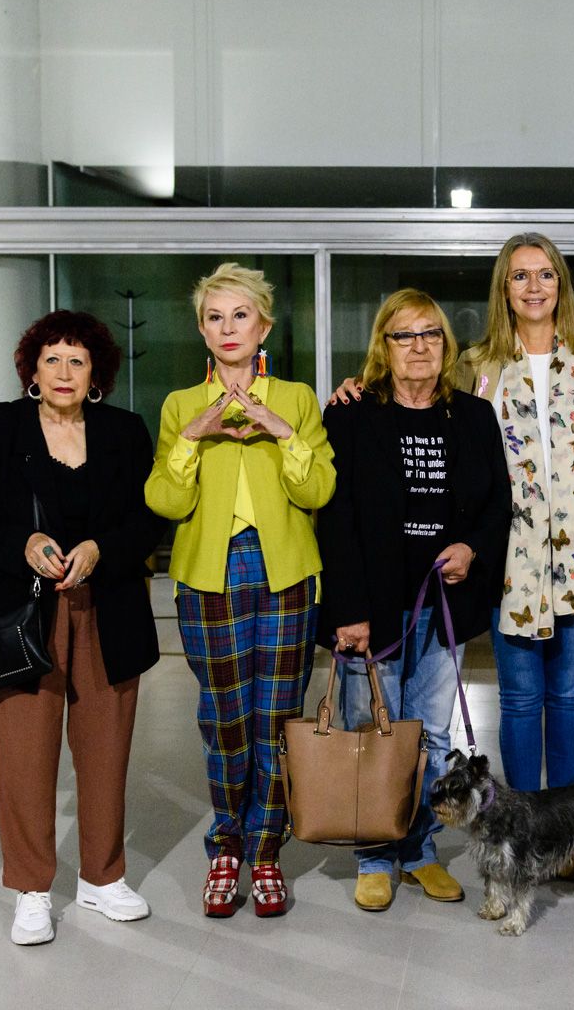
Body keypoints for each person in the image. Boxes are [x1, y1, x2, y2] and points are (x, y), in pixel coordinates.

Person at [330, 233, 574, 798]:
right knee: (517, 697)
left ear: (560, 283)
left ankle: (563, 819)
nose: (533, 286)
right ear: (503, 288)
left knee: (568, 692)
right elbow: (440, 423)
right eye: (519, 275)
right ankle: (525, 819)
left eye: (544, 274)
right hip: (506, 559)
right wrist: (359, 388)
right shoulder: (475, 363)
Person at [0, 310, 166, 946]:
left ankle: (102, 880)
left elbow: (147, 520)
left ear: (96, 371)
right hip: (21, 614)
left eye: (78, 359)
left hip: (107, 608)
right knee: (23, 757)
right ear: (32, 370)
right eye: (52, 359)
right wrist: (25, 542)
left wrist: (100, 547)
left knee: (105, 751)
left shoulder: (125, 432)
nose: (64, 371)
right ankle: (32, 890)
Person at [145, 263, 335, 918]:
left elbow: (317, 492)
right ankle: (226, 844)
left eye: (241, 316)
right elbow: (164, 501)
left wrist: (281, 431)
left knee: (275, 724)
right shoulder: (177, 406)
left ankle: (265, 851)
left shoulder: (298, 398)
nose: (228, 328)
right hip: (208, 579)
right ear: (201, 328)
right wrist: (194, 437)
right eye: (215, 317)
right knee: (224, 723)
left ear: (264, 327)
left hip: (285, 578)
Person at [316, 288, 511, 912]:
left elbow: (497, 505)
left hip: (442, 605)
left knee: (430, 733)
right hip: (371, 604)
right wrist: (348, 609)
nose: (420, 346)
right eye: (405, 336)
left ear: (446, 346)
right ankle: (375, 856)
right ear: (384, 347)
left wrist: (472, 548)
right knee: (372, 729)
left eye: (431, 334)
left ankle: (419, 852)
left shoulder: (474, 416)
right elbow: (335, 517)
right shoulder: (350, 415)